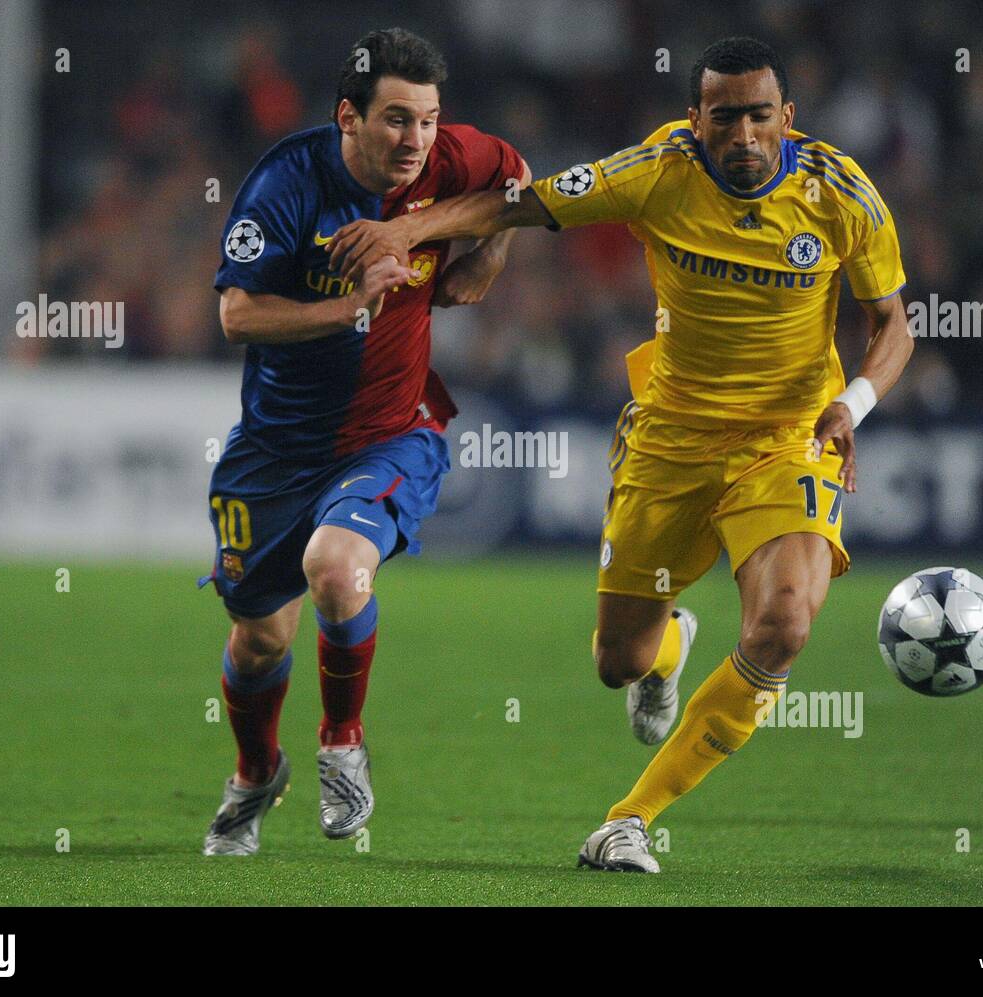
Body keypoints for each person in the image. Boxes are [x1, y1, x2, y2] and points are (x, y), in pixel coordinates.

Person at [326, 36, 912, 872]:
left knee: (783, 627)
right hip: (670, 441)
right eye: (723, 117)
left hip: (790, 440)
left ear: (788, 117)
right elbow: (518, 203)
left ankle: (628, 819)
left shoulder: (841, 194)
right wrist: (415, 227)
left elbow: (893, 322)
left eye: (758, 117)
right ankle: (668, 641)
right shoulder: (652, 172)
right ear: (694, 119)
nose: (742, 136)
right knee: (617, 661)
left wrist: (852, 402)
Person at [201, 27, 529, 855]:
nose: (415, 141)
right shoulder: (285, 184)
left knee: (337, 570)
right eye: (394, 121)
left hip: (392, 433)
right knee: (259, 636)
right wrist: (347, 309)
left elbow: (522, 183)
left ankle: (342, 741)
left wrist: (488, 250)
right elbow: (236, 314)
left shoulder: (448, 160)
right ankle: (254, 771)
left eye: (427, 120)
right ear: (347, 117)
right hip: (274, 451)